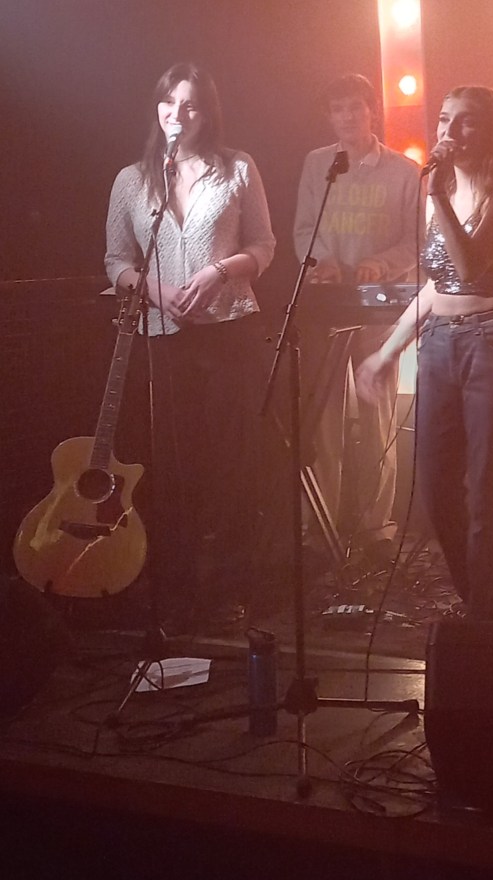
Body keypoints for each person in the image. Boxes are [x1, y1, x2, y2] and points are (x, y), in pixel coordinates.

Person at [356, 85, 493, 621]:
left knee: (486, 492)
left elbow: (470, 267)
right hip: (439, 344)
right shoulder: (447, 189)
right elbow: (438, 286)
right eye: (443, 120)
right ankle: (481, 604)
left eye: (465, 121)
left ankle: (488, 619)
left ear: (491, 130)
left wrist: (436, 197)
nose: (449, 132)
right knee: (434, 489)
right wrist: (388, 352)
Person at [105, 62, 276, 628]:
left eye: (190, 105)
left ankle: (229, 587)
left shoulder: (238, 168)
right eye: (168, 103)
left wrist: (219, 272)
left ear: (207, 113)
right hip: (164, 336)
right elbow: (116, 260)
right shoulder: (132, 180)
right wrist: (153, 289)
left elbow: (265, 245)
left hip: (229, 331)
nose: (177, 114)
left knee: (232, 464)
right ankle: (174, 586)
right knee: (172, 466)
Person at [293, 74, 421, 565]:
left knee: (377, 414)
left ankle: (375, 528)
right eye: (337, 108)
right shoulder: (317, 163)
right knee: (323, 419)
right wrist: (321, 261)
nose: (346, 116)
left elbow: (415, 242)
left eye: (354, 107)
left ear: (373, 111)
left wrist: (381, 264)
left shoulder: (404, 172)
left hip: (378, 308)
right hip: (326, 306)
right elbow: (304, 229)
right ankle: (319, 527)